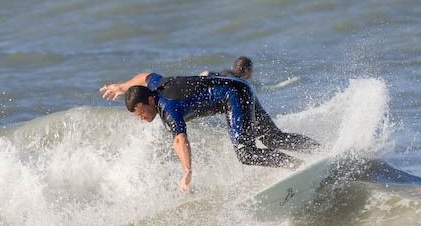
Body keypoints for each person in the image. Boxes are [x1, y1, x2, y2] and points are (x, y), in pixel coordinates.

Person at [100, 72, 318, 192]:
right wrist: (122, 87)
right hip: (241, 87)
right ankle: (320, 150)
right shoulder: (156, 85)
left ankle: (299, 166)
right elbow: (145, 76)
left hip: (235, 96)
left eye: (142, 112)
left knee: (246, 153)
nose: (142, 117)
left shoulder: (168, 108)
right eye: (137, 116)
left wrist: (187, 171)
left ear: (150, 100)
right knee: (272, 138)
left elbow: (180, 139)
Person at [201, 56, 320, 153]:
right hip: (252, 112)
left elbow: (209, 73)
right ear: (246, 70)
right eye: (251, 70)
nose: (252, 72)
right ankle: (314, 148)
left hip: (249, 114)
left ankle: (313, 148)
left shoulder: (226, 73)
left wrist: (205, 76)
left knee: (273, 140)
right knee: (275, 139)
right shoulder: (234, 79)